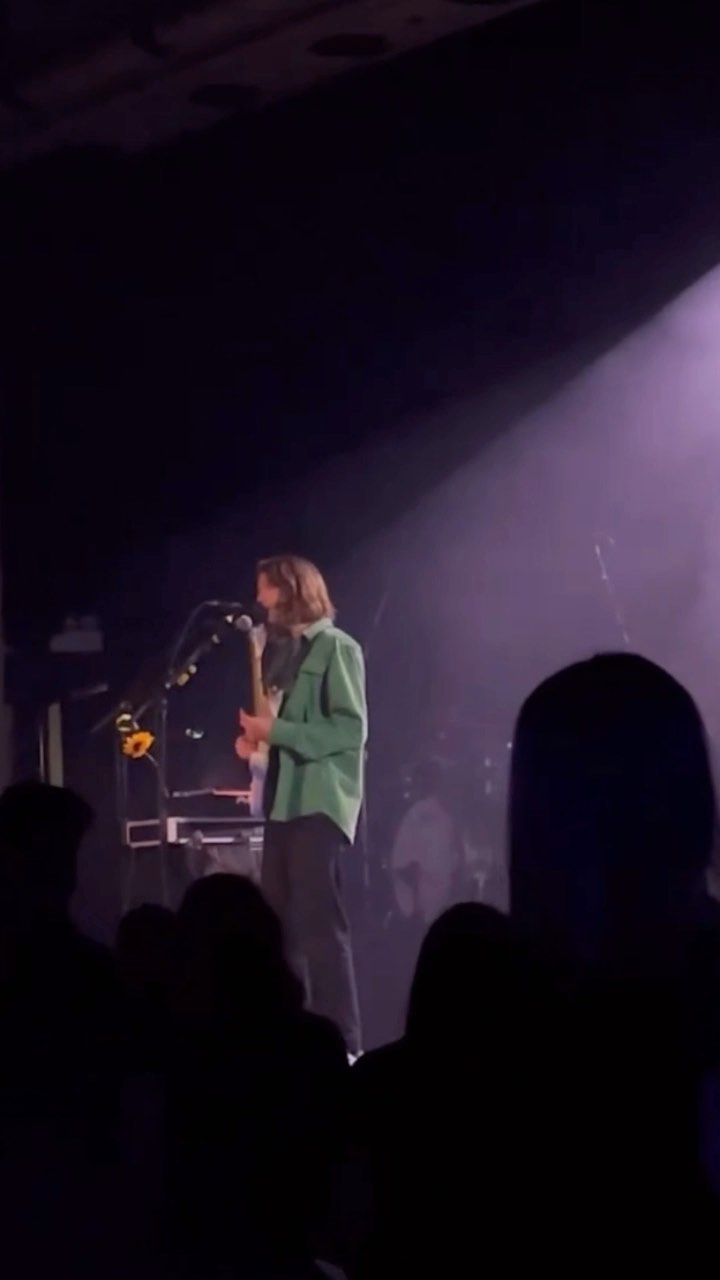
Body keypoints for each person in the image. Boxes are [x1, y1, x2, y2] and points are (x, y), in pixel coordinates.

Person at [235, 555, 366, 1057]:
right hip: (283, 804)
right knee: (279, 928)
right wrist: (259, 747)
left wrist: (278, 732)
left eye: (266, 589)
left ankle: (345, 1045)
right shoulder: (285, 656)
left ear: (291, 590)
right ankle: (293, 1042)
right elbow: (284, 735)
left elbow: (349, 731)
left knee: (320, 925)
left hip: (320, 803)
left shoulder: (337, 647)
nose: (260, 600)